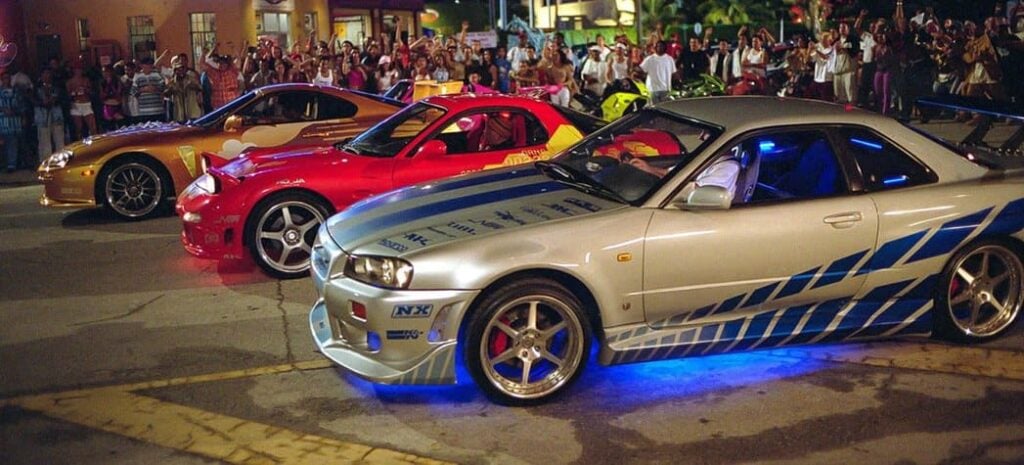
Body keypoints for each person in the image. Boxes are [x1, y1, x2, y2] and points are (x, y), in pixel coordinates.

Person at [33, 69, 65, 161]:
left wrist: (55, 100)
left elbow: (63, 98)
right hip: (42, 116)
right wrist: (43, 103)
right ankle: (46, 160)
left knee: (59, 138)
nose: (47, 76)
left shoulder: (57, 87)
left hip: (56, 115)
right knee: (44, 139)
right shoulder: (36, 88)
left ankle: (60, 159)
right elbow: (33, 100)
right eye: (44, 74)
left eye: (48, 74)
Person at [165, 58, 204, 123]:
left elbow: (200, 88)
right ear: (175, 71)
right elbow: (166, 94)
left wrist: (192, 85)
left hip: (193, 113)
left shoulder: (191, 79)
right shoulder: (172, 83)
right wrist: (171, 89)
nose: (181, 71)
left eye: (182, 69)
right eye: (178, 70)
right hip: (179, 115)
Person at [0, 70, 25, 172]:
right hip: (2, 121)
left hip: (14, 122)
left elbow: (21, 105)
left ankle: (12, 164)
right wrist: (3, 109)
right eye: (4, 78)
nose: (6, 80)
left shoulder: (16, 92)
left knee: (13, 142)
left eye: (7, 78)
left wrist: (16, 112)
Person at [66, 64, 99, 139]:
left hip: (86, 104)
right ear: (73, 70)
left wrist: (86, 90)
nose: (79, 71)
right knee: (78, 129)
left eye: (80, 69)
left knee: (93, 128)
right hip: (75, 105)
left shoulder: (86, 80)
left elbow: (92, 92)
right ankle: (80, 143)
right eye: (77, 69)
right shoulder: (69, 82)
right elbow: (67, 96)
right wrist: (75, 93)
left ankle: (95, 142)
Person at [639, 41, 675, 105]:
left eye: (661, 46)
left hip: (665, 89)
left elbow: (673, 73)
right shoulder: (649, 59)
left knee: (664, 107)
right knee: (653, 108)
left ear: (664, 48)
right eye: (658, 46)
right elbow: (642, 70)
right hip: (652, 89)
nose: (659, 48)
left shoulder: (669, 59)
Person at [132, 56, 166, 123]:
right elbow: (133, 91)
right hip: (144, 111)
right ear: (142, 65)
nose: (149, 67)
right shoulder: (137, 76)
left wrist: (155, 88)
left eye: (150, 65)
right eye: (147, 65)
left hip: (158, 110)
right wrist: (143, 90)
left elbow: (163, 87)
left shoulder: (157, 74)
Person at [98, 66, 125, 130]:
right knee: (110, 127)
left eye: (107, 71)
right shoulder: (101, 82)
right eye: (103, 72)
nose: (105, 73)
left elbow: (118, 95)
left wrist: (111, 85)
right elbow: (102, 96)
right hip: (107, 106)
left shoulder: (117, 81)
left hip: (117, 106)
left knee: (121, 126)